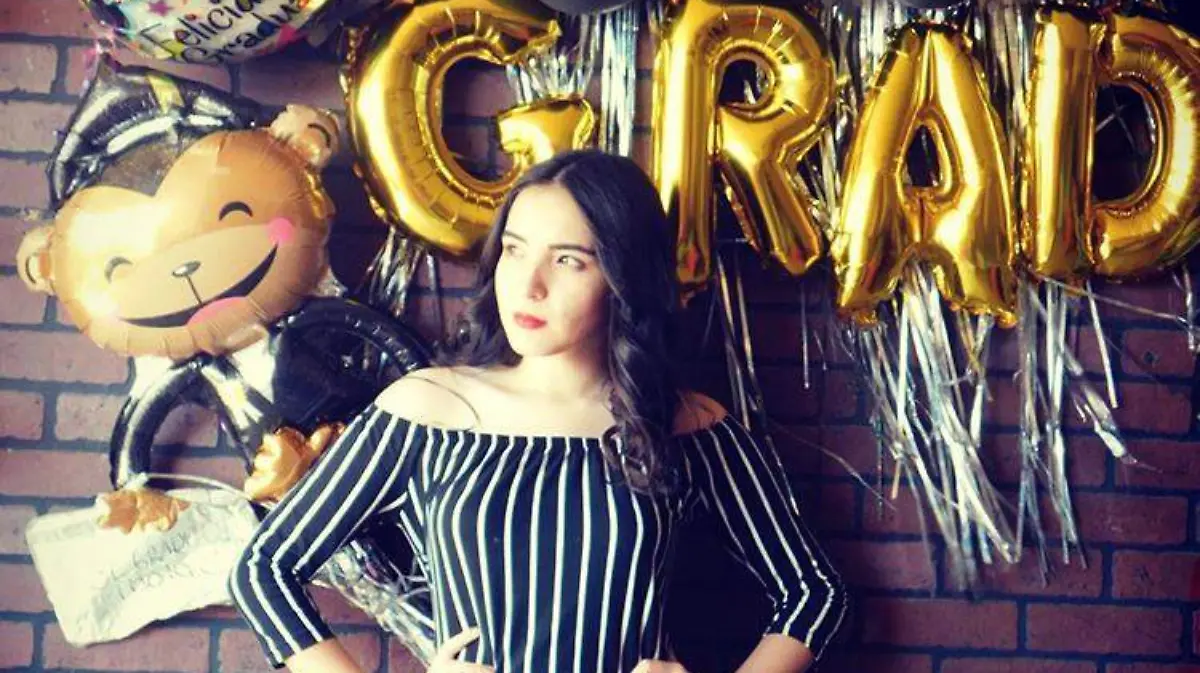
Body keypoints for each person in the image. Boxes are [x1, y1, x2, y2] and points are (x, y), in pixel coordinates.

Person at [228, 149, 848, 673]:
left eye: (568, 260)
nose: (529, 285)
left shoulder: (686, 424)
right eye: (515, 250)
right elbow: (264, 569)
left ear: (622, 277)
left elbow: (817, 595)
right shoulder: (430, 408)